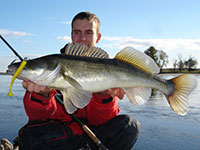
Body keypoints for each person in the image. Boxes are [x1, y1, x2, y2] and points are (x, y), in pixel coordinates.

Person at [19, 11, 141, 150]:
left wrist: (104, 97)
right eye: (77, 32)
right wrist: (40, 96)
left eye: (89, 33)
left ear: (98, 37)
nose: (82, 38)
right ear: (71, 35)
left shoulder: (110, 69)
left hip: (89, 136)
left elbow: (99, 120)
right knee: (33, 136)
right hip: (60, 137)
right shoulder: (52, 67)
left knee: (129, 125)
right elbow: (39, 116)